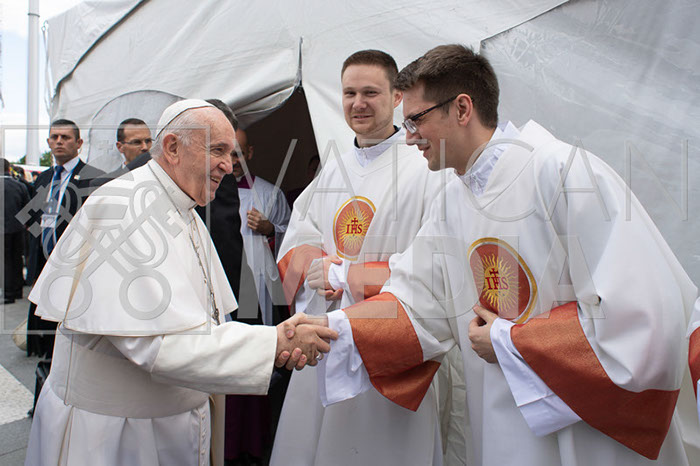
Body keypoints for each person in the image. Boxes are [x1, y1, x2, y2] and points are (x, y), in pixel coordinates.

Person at [319, 44, 697, 466]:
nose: (407, 137)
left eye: (416, 120)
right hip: (500, 421)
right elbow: (416, 302)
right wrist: (333, 330)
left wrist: (511, 342)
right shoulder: (451, 201)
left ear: (462, 109)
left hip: (587, 431)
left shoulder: (563, 172)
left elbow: (643, 316)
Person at [24, 99, 337, 466]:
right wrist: (276, 342)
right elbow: (158, 345)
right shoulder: (125, 208)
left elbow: (202, 320)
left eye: (232, 153)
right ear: (173, 147)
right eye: (218, 150)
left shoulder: (184, 208)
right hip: (116, 438)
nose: (228, 164)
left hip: (164, 425)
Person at [271, 50, 464, 466]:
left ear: (396, 97)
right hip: (326, 337)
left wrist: (350, 276)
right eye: (349, 93)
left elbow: (439, 265)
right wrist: (315, 269)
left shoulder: (427, 166)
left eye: (371, 93)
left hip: (387, 346)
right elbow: (298, 236)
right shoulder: (333, 169)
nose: (358, 103)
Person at [23, 120, 105, 358]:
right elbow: (35, 221)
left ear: (79, 143)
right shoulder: (44, 178)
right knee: (46, 318)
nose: (59, 142)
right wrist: (35, 260)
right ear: (48, 142)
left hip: (75, 264)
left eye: (65, 137)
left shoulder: (94, 178)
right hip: (44, 261)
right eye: (54, 137)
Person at [234, 127, 291, 327]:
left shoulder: (270, 193)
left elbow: (293, 239)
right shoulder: (205, 196)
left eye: (238, 154)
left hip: (258, 278)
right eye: (227, 154)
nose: (233, 161)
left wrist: (270, 229)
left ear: (249, 152)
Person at [2, 158, 30, 303]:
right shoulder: (19, 186)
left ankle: (8, 293)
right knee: (17, 259)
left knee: (5, 261)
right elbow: (27, 207)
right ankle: (18, 290)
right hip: (18, 228)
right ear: (8, 169)